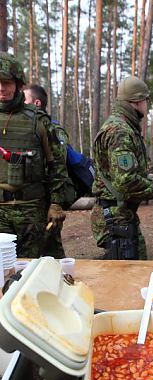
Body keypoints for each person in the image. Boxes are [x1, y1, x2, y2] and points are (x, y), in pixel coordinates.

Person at [91, 76, 153, 259]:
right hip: (115, 217)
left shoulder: (125, 127)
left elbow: (132, 173)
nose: (147, 106)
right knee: (126, 277)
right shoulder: (120, 131)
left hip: (121, 215)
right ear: (138, 101)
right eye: (146, 101)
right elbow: (126, 181)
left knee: (133, 267)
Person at [0, 52, 68, 258]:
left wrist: (56, 203)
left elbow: (57, 164)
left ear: (18, 84)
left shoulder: (38, 120)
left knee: (32, 272)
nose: (2, 88)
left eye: (7, 82)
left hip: (31, 212)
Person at [23, 83, 74, 258]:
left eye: (24, 99)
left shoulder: (52, 129)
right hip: (31, 202)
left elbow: (59, 164)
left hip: (49, 200)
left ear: (36, 103)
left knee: (51, 254)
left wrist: (55, 202)